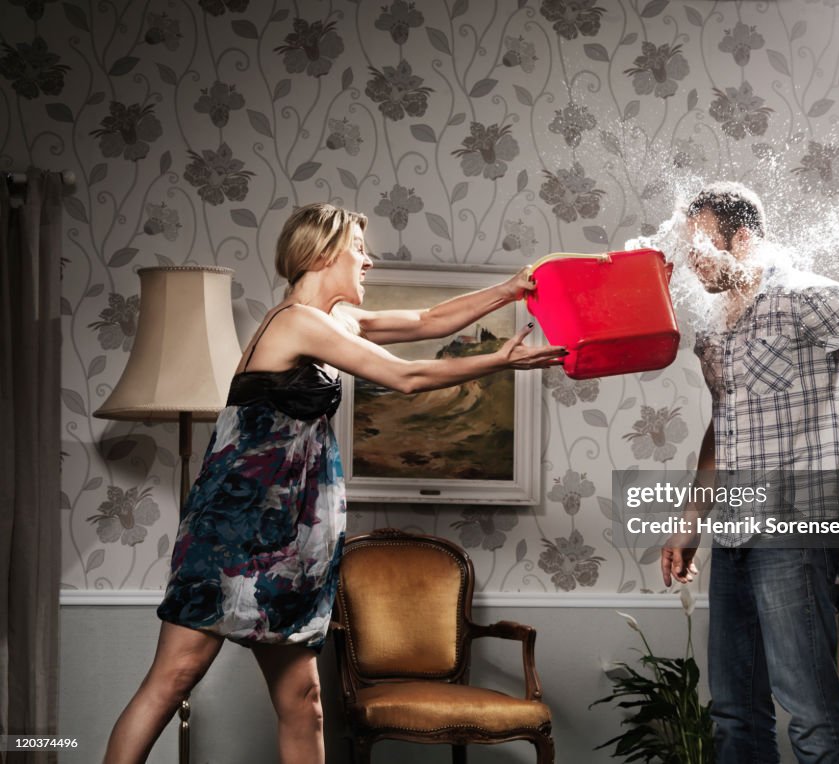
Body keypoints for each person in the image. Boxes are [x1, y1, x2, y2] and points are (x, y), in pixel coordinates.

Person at [102, 202, 567, 764]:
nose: (369, 261)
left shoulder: (337, 321)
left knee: (305, 700)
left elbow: (426, 323)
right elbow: (407, 376)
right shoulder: (296, 322)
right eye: (359, 250)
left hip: (287, 545)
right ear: (323, 253)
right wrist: (501, 362)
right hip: (233, 532)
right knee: (175, 676)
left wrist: (512, 290)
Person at [659, 182, 839, 764]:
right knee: (734, 711)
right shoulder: (715, 331)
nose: (690, 260)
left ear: (742, 238)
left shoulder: (809, 296)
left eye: (700, 244)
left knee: (811, 713)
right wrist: (691, 521)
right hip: (735, 533)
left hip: (794, 530)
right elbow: (725, 427)